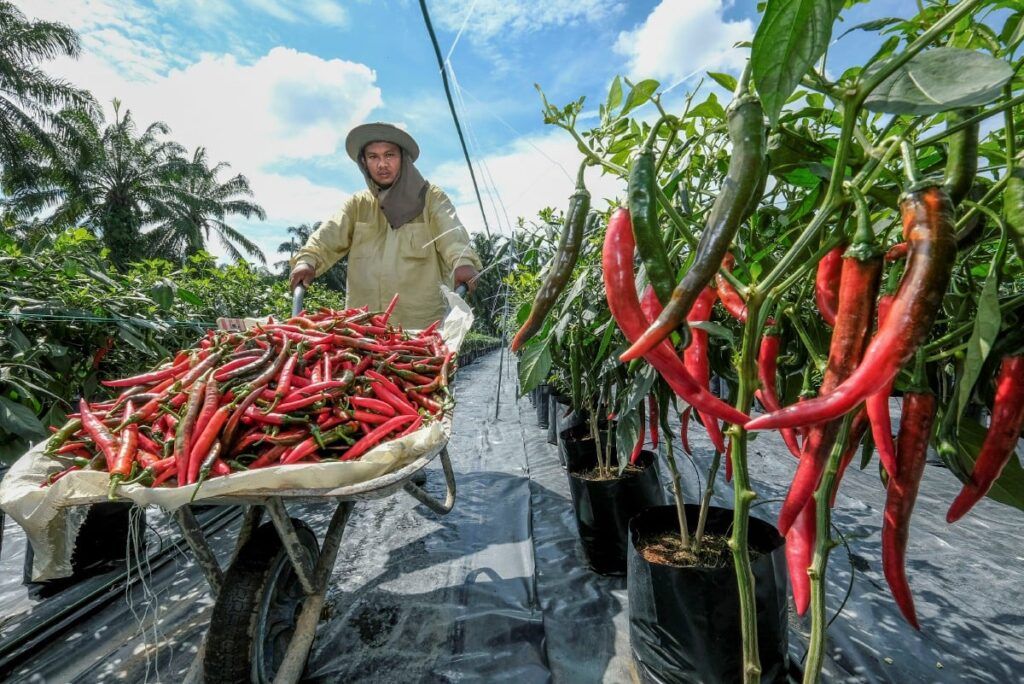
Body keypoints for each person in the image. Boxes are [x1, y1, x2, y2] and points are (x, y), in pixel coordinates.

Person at [289, 122, 482, 330]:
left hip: (420, 331)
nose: (382, 164)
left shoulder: (431, 199)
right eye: (373, 157)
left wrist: (462, 261)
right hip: (363, 329)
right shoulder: (358, 205)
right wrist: (307, 261)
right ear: (364, 162)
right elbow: (327, 237)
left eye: (389, 155)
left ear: (403, 159)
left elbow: (451, 235)